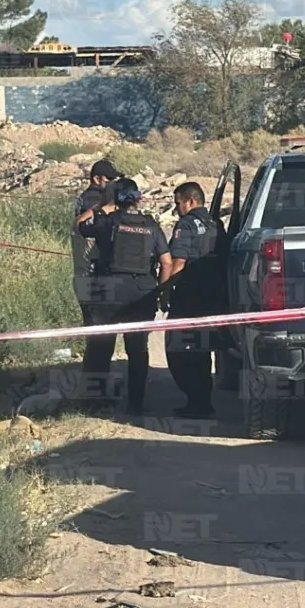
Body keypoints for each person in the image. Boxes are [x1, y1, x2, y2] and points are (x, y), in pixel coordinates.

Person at [77, 178, 172, 416]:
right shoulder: (151, 226)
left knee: (100, 347)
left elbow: (79, 226)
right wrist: (161, 293)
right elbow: (166, 261)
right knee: (137, 350)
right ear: (137, 199)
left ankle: (94, 404)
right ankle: (135, 405)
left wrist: (101, 207)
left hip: (108, 290)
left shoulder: (107, 222)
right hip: (141, 292)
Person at [164, 182, 228, 418]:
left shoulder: (186, 224)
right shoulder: (216, 223)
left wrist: (166, 290)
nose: (176, 208)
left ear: (190, 201)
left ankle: (196, 400)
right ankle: (202, 401)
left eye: (178, 202)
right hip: (211, 297)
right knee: (201, 349)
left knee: (179, 349)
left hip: (188, 298)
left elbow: (179, 262)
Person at [72, 159, 121, 405]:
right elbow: (89, 227)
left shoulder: (92, 200)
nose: (113, 184)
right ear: (97, 179)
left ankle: (95, 391)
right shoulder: (93, 201)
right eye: (109, 180)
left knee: (99, 338)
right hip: (91, 277)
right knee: (100, 339)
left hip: (87, 275)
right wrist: (109, 209)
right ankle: (94, 395)